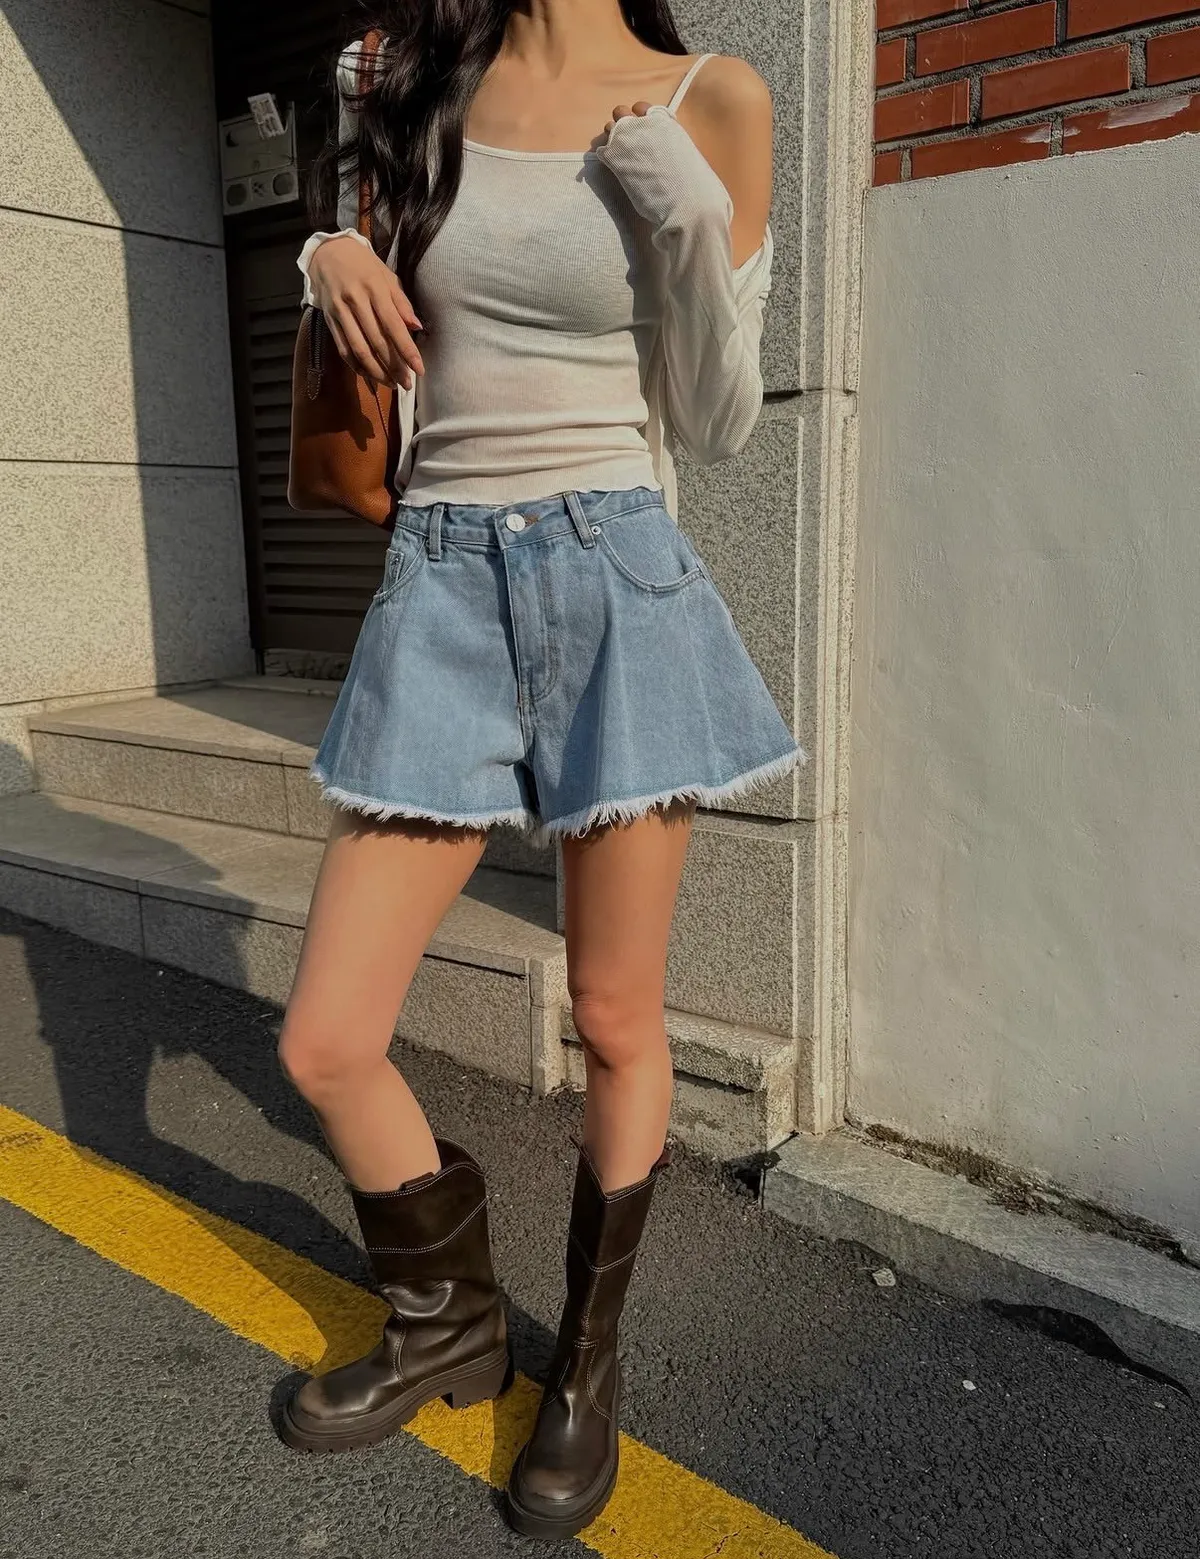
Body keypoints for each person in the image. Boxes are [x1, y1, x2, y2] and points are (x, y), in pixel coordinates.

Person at [275, 0, 807, 1540]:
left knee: (616, 1014)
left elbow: (717, 419)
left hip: (615, 576)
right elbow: (355, 253)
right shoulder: (401, 76)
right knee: (326, 1035)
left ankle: (586, 1358)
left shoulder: (713, 100)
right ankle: (445, 1316)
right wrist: (326, 252)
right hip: (439, 584)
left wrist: (684, 216)